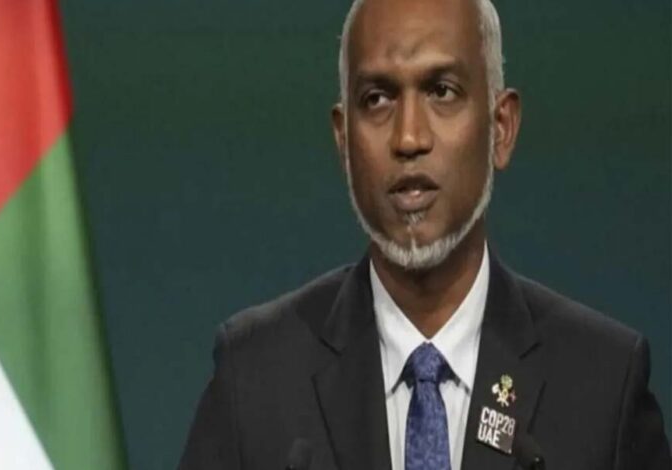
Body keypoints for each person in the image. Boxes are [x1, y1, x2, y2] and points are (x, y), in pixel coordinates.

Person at [178, 0, 671, 468]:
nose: (409, 137)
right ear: (344, 141)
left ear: (501, 127)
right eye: (377, 99)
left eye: (442, 91)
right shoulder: (254, 378)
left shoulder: (604, 385)